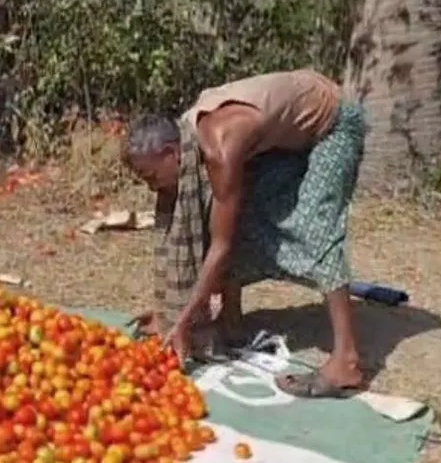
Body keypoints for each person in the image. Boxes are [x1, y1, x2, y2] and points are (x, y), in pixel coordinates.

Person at [123, 69, 366, 398]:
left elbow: (220, 247)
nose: (152, 187)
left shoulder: (221, 147)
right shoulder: (190, 135)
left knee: (316, 227)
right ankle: (231, 319)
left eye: (150, 176)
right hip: (285, 134)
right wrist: (171, 313)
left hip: (333, 121)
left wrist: (181, 322)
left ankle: (346, 361)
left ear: (171, 153)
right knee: (237, 214)